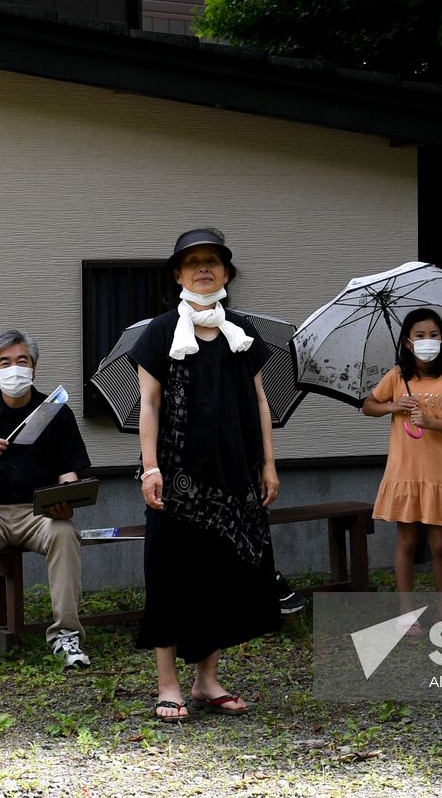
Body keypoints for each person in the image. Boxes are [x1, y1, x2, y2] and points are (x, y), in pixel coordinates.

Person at [130, 227, 281, 721]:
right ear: (177, 273)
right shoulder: (159, 333)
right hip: (176, 476)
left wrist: (268, 464)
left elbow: (261, 401)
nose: (203, 268)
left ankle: (206, 680)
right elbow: (148, 404)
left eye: (212, 261)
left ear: (227, 273)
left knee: (220, 573)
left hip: (234, 472)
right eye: (192, 261)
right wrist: (150, 466)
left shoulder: (243, 334)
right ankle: (168, 684)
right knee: (171, 573)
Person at [0, 329, 92, 670]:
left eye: (22, 361)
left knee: (65, 533)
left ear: (34, 368)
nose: (15, 369)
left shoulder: (55, 412)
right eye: (6, 363)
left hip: (38, 511)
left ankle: (66, 635)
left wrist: (67, 495)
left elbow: (70, 471)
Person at [362, 308, 442, 633]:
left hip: (439, 475)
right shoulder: (397, 376)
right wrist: (393, 406)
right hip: (404, 473)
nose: (428, 341)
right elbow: (368, 406)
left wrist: (431, 422)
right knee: (407, 542)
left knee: (440, 545)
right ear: (408, 343)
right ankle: (406, 612)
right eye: (421, 336)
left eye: (434, 335)